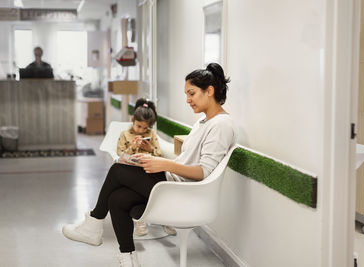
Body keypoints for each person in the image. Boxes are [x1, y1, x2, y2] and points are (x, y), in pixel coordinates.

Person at [62, 62, 236, 267]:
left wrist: (164, 164)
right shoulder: (203, 121)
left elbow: (203, 172)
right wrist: (151, 154)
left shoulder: (221, 125)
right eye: (186, 94)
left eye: (191, 93)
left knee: (118, 169)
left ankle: (93, 224)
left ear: (210, 91)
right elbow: (187, 158)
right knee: (117, 199)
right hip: (173, 184)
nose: (187, 100)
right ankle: (129, 260)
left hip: (182, 192)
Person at [116, 98, 175, 237]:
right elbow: (120, 154)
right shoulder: (125, 135)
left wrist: (150, 148)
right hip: (132, 169)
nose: (142, 131)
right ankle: (140, 219)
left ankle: (165, 218)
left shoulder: (151, 134)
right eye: (138, 126)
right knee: (138, 189)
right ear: (132, 120)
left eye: (145, 127)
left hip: (149, 169)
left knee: (161, 188)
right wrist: (133, 147)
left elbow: (159, 154)